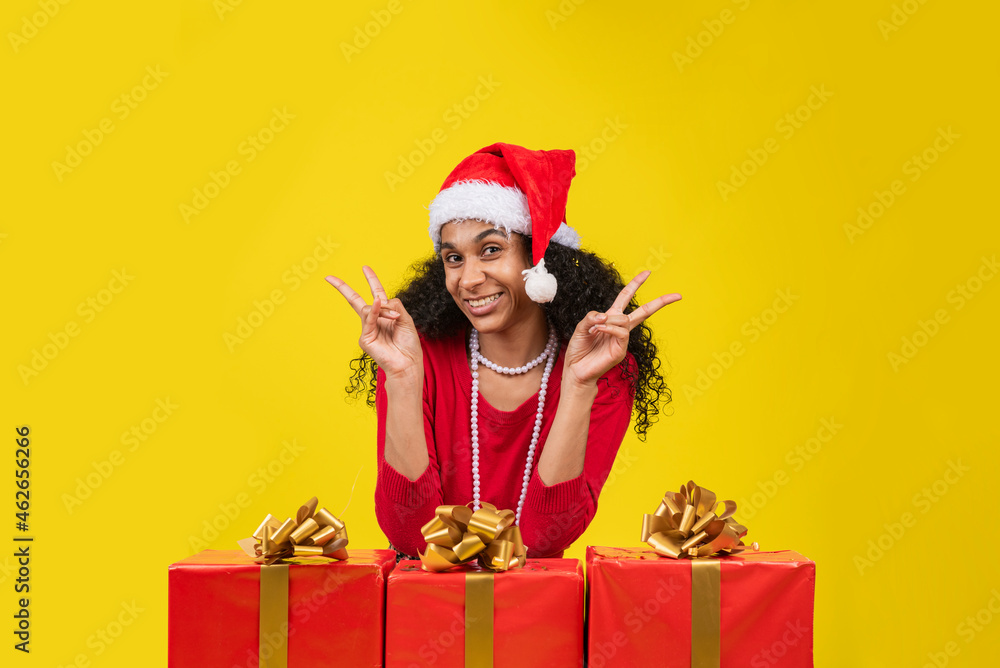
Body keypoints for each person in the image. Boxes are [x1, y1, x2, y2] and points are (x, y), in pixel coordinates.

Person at [327, 142, 681, 559]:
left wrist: (579, 386)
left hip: (537, 612)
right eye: (453, 258)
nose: (469, 279)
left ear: (540, 258)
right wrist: (403, 380)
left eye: (491, 250)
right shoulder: (415, 358)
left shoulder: (602, 367)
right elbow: (410, 538)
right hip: (422, 609)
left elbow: (544, 539)